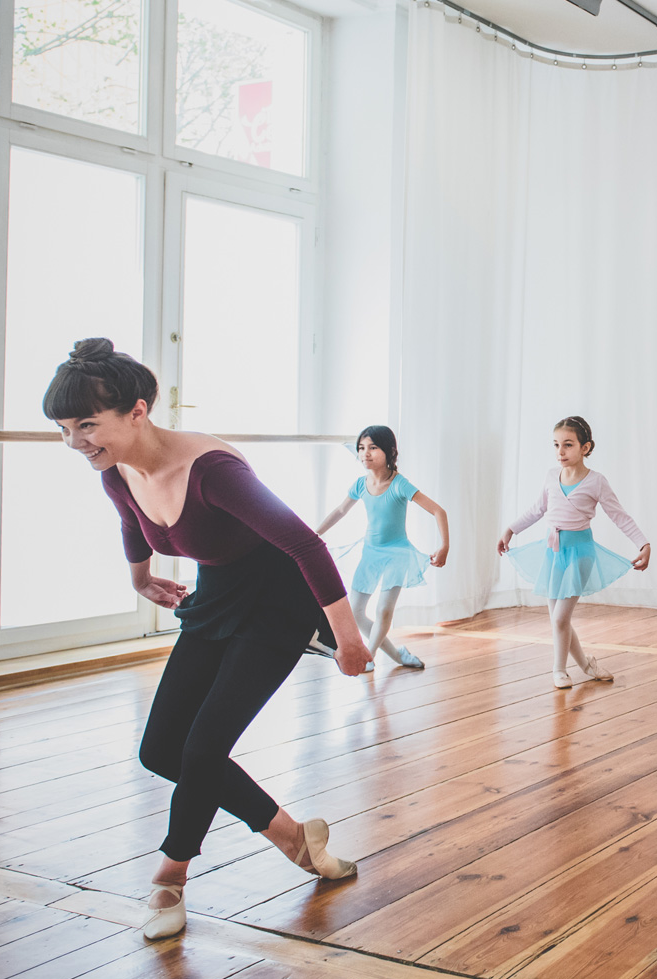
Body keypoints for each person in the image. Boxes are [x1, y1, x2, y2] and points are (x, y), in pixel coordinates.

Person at [44, 338, 370, 941]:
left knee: (202, 747)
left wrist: (348, 640)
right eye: (65, 429)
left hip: (277, 600)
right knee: (162, 750)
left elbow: (305, 545)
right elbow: (130, 522)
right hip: (217, 594)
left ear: (137, 411)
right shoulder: (114, 472)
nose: (75, 442)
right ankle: (295, 837)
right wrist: (141, 578)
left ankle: (170, 879)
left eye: (87, 425)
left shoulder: (213, 471)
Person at [498, 416, 650, 689]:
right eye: (556, 445)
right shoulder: (550, 476)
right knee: (559, 619)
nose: (560, 452)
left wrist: (643, 544)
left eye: (568, 445)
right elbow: (537, 510)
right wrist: (511, 529)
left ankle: (558, 670)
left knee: (559, 618)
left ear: (585, 447)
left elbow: (619, 516)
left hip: (580, 553)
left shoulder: (596, 482)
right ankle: (586, 665)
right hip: (552, 552)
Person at [315, 425, 449, 672]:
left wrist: (444, 546)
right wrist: (315, 534)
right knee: (355, 612)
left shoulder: (400, 484)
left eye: (373, 448)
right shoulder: (360, 484)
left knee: (384, 609)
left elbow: (438, 511)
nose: (365, 454)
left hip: (398, 554)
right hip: (371, 553)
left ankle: (370, 656)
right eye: (361, 448)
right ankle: (397, 655)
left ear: (389, 451)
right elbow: (340, 511)